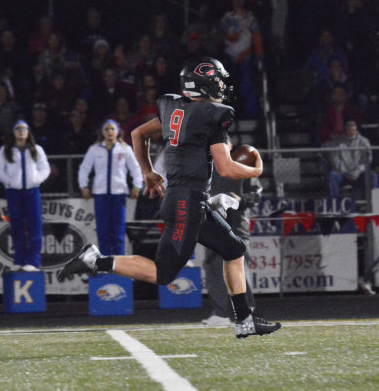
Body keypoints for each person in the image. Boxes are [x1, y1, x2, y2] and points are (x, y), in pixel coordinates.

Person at [58, 57, 281, 339]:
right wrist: (257, 168)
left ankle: (244, 320)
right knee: (162, 274)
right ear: (206, 83)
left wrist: (149, 172)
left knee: (234, 249)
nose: (223, 85)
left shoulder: (171, 104)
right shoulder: (214, 113)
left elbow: (138, 134)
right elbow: (225, 167)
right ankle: (96, 260)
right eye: (219, 79)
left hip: (190, 200)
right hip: (187, 203)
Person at [203, 138, 261, 326]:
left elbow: (257, 194)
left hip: (236, 225)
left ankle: (247, 309)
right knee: (213, 266)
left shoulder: (242, 163)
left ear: (229, 146)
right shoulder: (207, 167)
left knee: (236, 269)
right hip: (213, 224)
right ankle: (220, 313)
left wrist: (240, 200)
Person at [78, 119, 142, 255]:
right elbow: (84, 168)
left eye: (112, 129)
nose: (109, 132)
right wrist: (83, 186)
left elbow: (135, 168)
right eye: (106, 129)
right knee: (103, 231)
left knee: (119, 231)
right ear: (102, 132)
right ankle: (105, 262)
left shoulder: (124, 149)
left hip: (119, 194)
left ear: (118, 131)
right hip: (100, 194)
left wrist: (137, 186)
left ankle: (118, 263)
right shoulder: (94, 149)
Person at [0, 121, 50, 271]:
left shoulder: (36, 149)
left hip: (32, 191)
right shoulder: (6, 150)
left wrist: (36, 180)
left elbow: (45, 169)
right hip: (14, 192)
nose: (21, 132)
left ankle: (33, 261)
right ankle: (19, 260)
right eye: (18, 129)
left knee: (34, 225)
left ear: (28, 132)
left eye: (24, 129)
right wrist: (9, 182)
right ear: (13, 132)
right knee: (16, 225)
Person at [326, 118, 378, 199]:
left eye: (353, 125)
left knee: (373, 176)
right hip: (343, 174)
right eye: (348, 126)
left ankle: (374, 203)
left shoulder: (364, 141)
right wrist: (347, 173)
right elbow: (335, 161)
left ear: (356, 127)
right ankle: (334, 203)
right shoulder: (336, 142)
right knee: (333, 175)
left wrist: (357, 172)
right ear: (345, 128)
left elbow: (367, 160)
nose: (351, 128)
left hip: (359, 174)